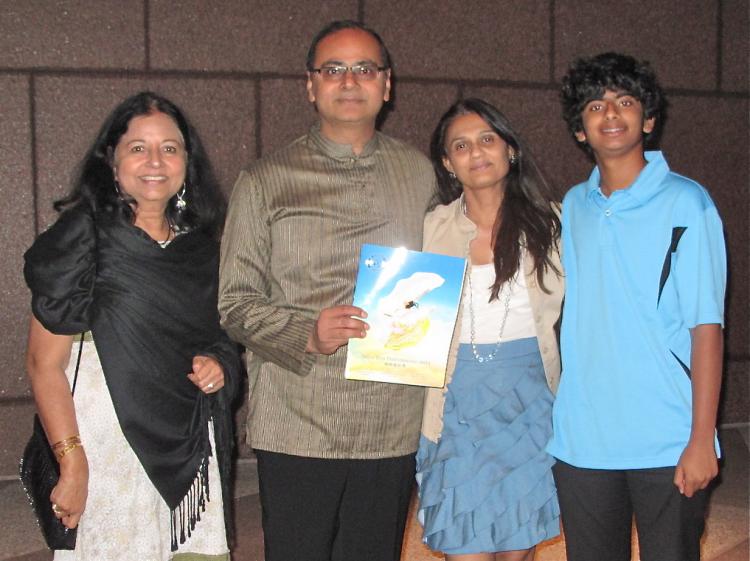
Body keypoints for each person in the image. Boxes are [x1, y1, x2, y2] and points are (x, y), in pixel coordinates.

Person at [218, 19, 435, 561]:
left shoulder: (423, 174)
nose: (349, 81)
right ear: (310, 85)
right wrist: (305, 333)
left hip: (392, 415)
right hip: (299, 415)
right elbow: (235, 302)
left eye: (364, 69)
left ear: (387, 85)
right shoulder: (266, 180)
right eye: (333, 69)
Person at [23, 91, 241, 561]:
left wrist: (219, 363)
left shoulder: (199, 249)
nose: (155, 161)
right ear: (112, 158)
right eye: (138, 147)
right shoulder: (82, 235)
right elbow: (44, 364)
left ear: (187, 160)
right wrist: (72, 462)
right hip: (105, 443)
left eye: (170, 147)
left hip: (187, 442)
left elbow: (218, 337)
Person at [547, 53, 727, 561]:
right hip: (583, 440)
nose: (610, 114)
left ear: (647, 119)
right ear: (579, 128)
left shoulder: (686, 203)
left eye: (625, 102)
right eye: (595, 105)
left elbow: (706, 327)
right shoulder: (575, 206)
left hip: (666, 437)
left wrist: (700, 438)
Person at [416, 98, 563, 561]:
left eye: (487, 139)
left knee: (518, 549)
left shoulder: (554, 223)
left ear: (510, 149)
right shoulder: (430, 228)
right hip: (455, 400)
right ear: (447, 162)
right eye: (461, 145)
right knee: (464, 544)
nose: (476, 152)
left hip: (531, 401)